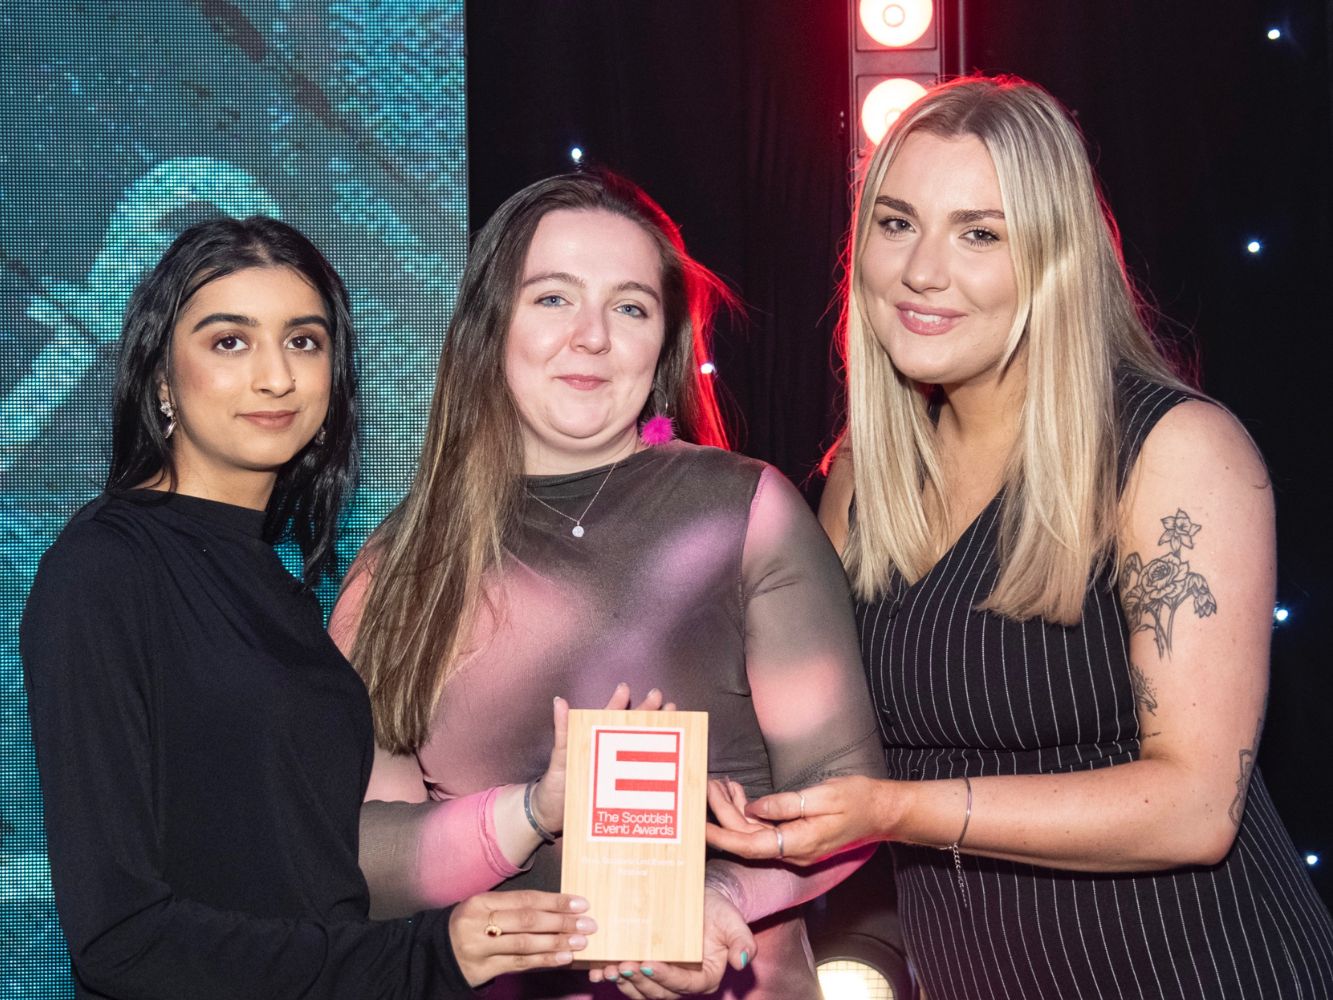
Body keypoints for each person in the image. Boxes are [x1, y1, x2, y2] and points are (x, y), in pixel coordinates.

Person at [705, 76, 1333, 999]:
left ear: (1055, 261)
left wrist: (892, 812)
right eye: (895, 223)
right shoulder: (863, 481)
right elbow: (811, 750)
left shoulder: (1174, 452)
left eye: (980, 234)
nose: (921, 270)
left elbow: (1197, 807)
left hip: (1205, 971)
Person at [329, 170, 885, 999]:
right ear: (491, 324)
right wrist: (530, 813)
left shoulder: (744, 513)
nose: (590, 336)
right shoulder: (400, 564)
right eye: (552, 298)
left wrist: (721, 896)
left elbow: (846, 797)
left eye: (628, 307)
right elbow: (354, 854)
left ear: (662, 340)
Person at [21, 216, 595, 1000]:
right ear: (161, 377)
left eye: (303, 341)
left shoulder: (277, 585)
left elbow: (306, 874)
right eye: (229, 341)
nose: (275, 377)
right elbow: (120, 939)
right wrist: (423, 957)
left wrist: (534, 812)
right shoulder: (105, 570)